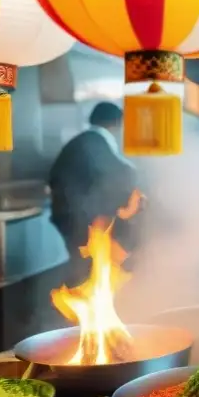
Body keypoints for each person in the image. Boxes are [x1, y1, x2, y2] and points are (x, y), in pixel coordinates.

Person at [49, 102, 138, 278]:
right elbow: (115, 172)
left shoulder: (83, 140)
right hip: (80, 215)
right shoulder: (96, 141)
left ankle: (84, 295)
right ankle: (84, 296)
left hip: (69, 213)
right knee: (90, 262)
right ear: (116, 123)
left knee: (85, 259)